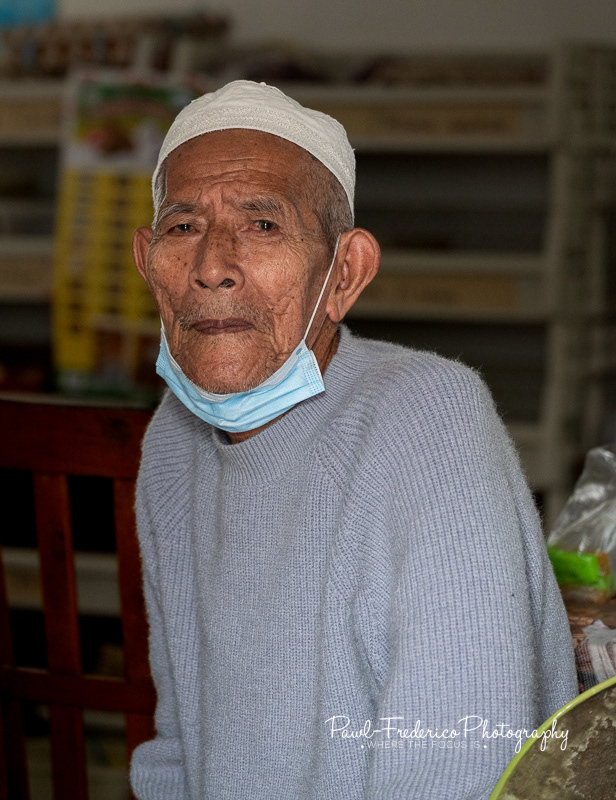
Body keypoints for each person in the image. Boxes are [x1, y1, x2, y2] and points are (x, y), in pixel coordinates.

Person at [130, 80, 577, 800]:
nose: (213, 265)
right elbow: (183, 744)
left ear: (344, 274)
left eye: (262, 225)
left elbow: (460, 764)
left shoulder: (429, 420)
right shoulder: (172, 445)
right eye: (183, 228)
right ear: (148, 264)